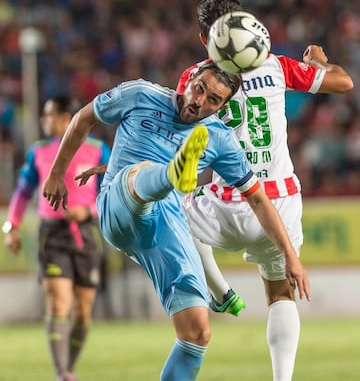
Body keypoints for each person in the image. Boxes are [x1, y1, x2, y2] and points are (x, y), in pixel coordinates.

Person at [41, 62, 310, 381]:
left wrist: (291, 257)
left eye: (213, 100)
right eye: (199, 88)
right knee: (137, 174)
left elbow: (258, 199)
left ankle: (175, 178)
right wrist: (57, 173)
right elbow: (84, 117)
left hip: (165, 226)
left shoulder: (220, 138)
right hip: (120, 206)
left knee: (197, 332)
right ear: (189, 79)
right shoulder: (141, 94)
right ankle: (173, 172)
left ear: (223, 107)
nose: (199, 101)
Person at [176, 0, 354, 381]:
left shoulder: (195, 79)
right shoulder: (276, 66)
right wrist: (320, 64)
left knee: (172, 204)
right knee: (279, 295)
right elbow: (344, 83)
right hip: (282, 200)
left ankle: (218, 289)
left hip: (229, 202)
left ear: (205, 39)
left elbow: (179, 134)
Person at [2, 96, 111, 381]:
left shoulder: (98, 150)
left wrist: (87, 210)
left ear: (66, 118)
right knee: (59, 301)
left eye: (49, 115)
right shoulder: (38, 152)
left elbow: (112, 193)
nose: (44, 121)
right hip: (51, 233)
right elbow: (23, 192)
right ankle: (62, 374)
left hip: (87, 233)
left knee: (83, 312)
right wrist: (10, 226)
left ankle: (68, 367)